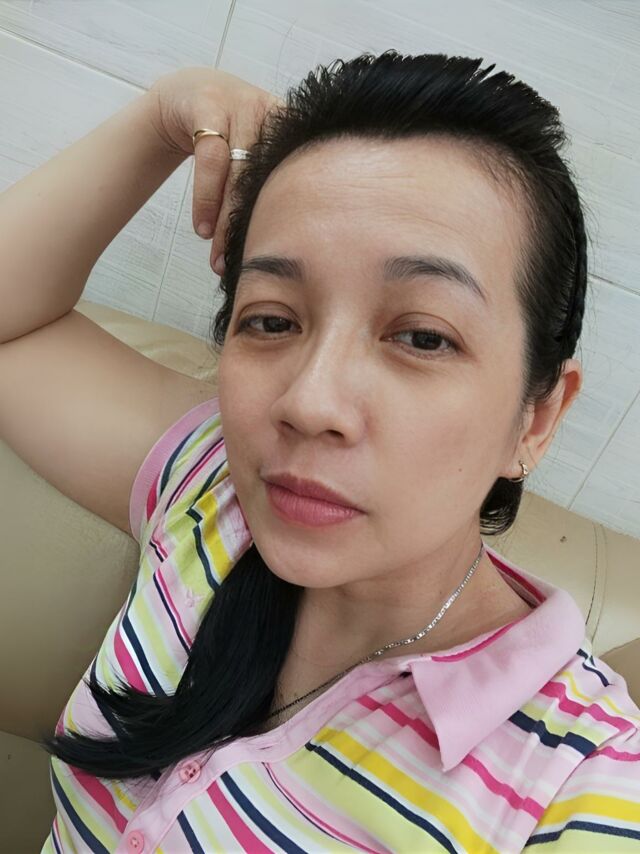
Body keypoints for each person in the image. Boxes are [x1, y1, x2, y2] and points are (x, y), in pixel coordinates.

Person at [1, 53, 638, 852]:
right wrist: (163, 115)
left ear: (536, 418)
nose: (308, 403)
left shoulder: (577, 787)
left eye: (422, 336)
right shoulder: (212, 488)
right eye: (272, 319)